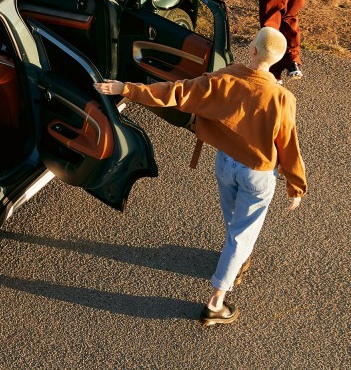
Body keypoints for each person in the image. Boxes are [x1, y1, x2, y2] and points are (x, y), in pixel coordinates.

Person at [94, 27, 306, 327]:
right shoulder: (282, 98)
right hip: (257, 174)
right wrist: (296, 185)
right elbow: (288, 143)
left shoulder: (225, 77)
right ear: (279, 59)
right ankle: (216, 302)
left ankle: (238, 260)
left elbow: (175, 91)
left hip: (225, 164)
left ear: (253, 50)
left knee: (233, 222)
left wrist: (126, 88)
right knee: (241, 234)